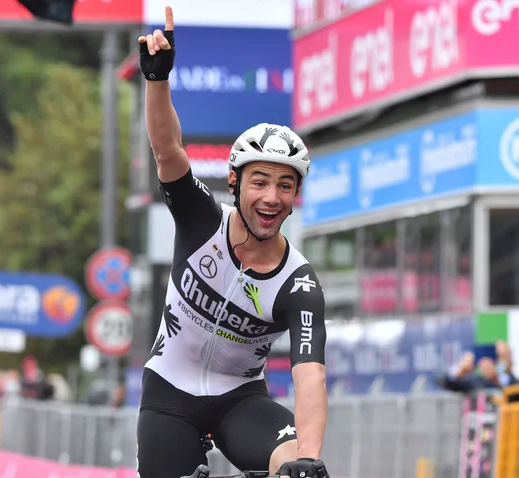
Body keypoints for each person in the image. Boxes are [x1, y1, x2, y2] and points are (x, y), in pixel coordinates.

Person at [135, 7, 329, 478]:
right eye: (259, 181)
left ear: (295, 197)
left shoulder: (298, 285)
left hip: (239, 400)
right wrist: (157, 80)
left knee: (295, 468)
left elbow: (310, 375)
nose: (271, 197)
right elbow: (168, 149)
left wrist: (307, 460)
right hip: (169, 393)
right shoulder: (201, 218)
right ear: (234, 182)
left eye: (285, 186)